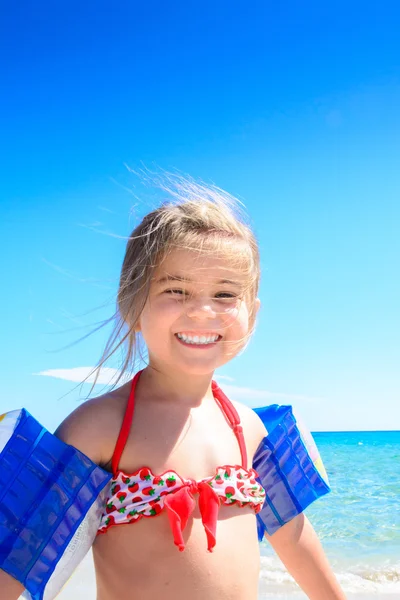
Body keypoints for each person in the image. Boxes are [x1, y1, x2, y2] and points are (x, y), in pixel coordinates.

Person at [1, 177, 345, 600]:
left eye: (224, 294)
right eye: (176, 290)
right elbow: (21, 555)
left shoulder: (251, 430)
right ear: (133, 303)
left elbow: (293, 538)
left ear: (251, 315)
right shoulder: (102, 426)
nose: (202, 311)